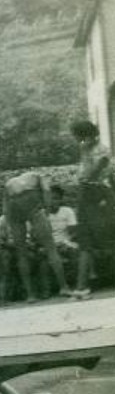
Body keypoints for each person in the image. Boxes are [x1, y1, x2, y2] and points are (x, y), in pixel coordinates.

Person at [3, 171, 75, 302]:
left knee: (21, 254)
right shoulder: (38, 175)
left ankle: (30, 295)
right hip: (30, 201)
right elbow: (47, 192)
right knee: (51, 248)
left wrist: (9, 224)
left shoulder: (10, 183)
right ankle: (64, 287)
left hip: (14, 204)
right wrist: (46, 213)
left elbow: (6, 207)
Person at [70, 120, 115, 297]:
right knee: (85, 242)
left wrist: (86, 155)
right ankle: (82, 286)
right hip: (86, 196)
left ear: (88, 135)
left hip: (98, 194)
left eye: (81, 137)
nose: (80, 141)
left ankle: (84, 285)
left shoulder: (101, 150)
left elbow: (92, 174)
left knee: (105, 238)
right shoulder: (86, 150)